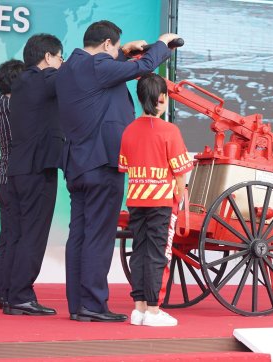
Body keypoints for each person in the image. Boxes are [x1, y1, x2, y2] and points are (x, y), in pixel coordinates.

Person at [56, 20, 181, 322]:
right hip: (101, 163)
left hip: (77, 164)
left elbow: (105, 75)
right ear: (106, 45)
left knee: (80, 235)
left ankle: (79, 305)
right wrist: (163, 42)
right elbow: (143, 66)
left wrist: (123, 53)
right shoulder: (99, 67)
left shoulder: (68, 70)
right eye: (115, 49)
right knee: (98, 237)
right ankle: (94, 305)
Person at [119, 73, 192, 326]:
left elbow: (125, 166)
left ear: (140, 98)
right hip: (162, 203)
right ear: (162, 98)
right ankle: (153, 310)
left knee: (139, 252)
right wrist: (178, 199)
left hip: (137, 200)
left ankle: (138, 307)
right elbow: (181, 174)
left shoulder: (128, 130)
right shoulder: (169, 131)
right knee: (159, 255)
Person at [2, 34, 64, 316]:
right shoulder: (44, 80)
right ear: (48, 58)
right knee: (33, 236)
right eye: (60, 57)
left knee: (18, 234)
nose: (62, 63)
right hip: (37, 169)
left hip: (17, 169)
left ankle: (9, 293)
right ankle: (21, 296)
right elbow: (79, 74)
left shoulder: (21, 82)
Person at [0, 59, 25, 310]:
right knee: (17, 236)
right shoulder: (17, 105)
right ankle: (9, 289)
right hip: (18, 177)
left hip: (3, 176)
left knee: (7, 235)